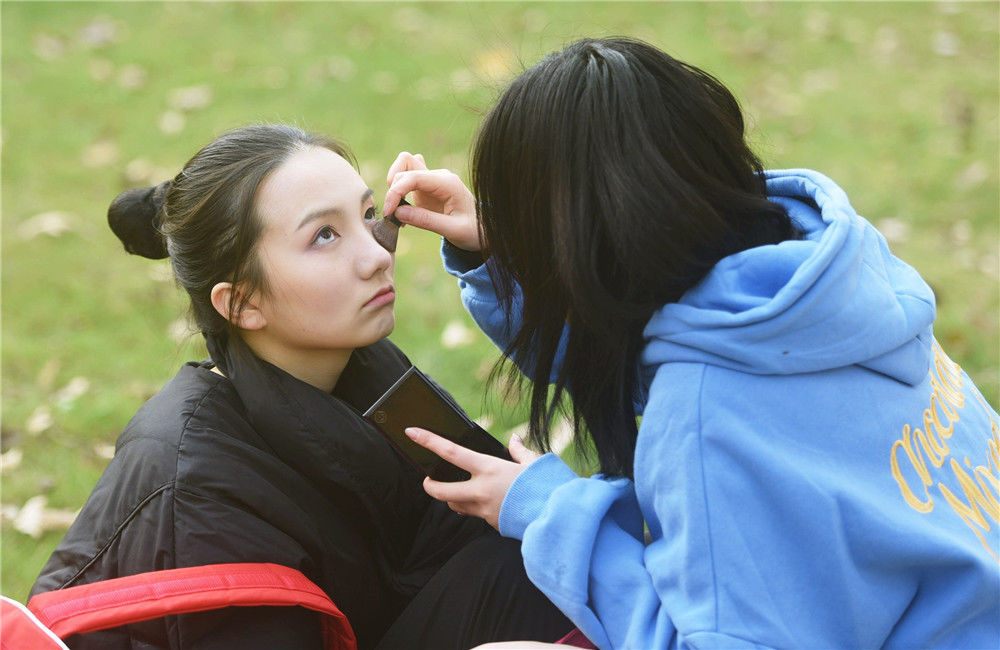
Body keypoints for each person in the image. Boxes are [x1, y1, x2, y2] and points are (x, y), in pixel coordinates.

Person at [381, 38, 1000, 649]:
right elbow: (630, 354)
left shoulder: (709, 417)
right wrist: (505, 248)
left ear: (580, 246)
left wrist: (549, 511)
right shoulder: (815, 286)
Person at [30, 124, 572, 650]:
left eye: (368, 216)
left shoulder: (365, 368)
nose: (379, 256)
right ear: (242, 303)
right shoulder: (193, 485)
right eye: (324, 236)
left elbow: (478, 533)